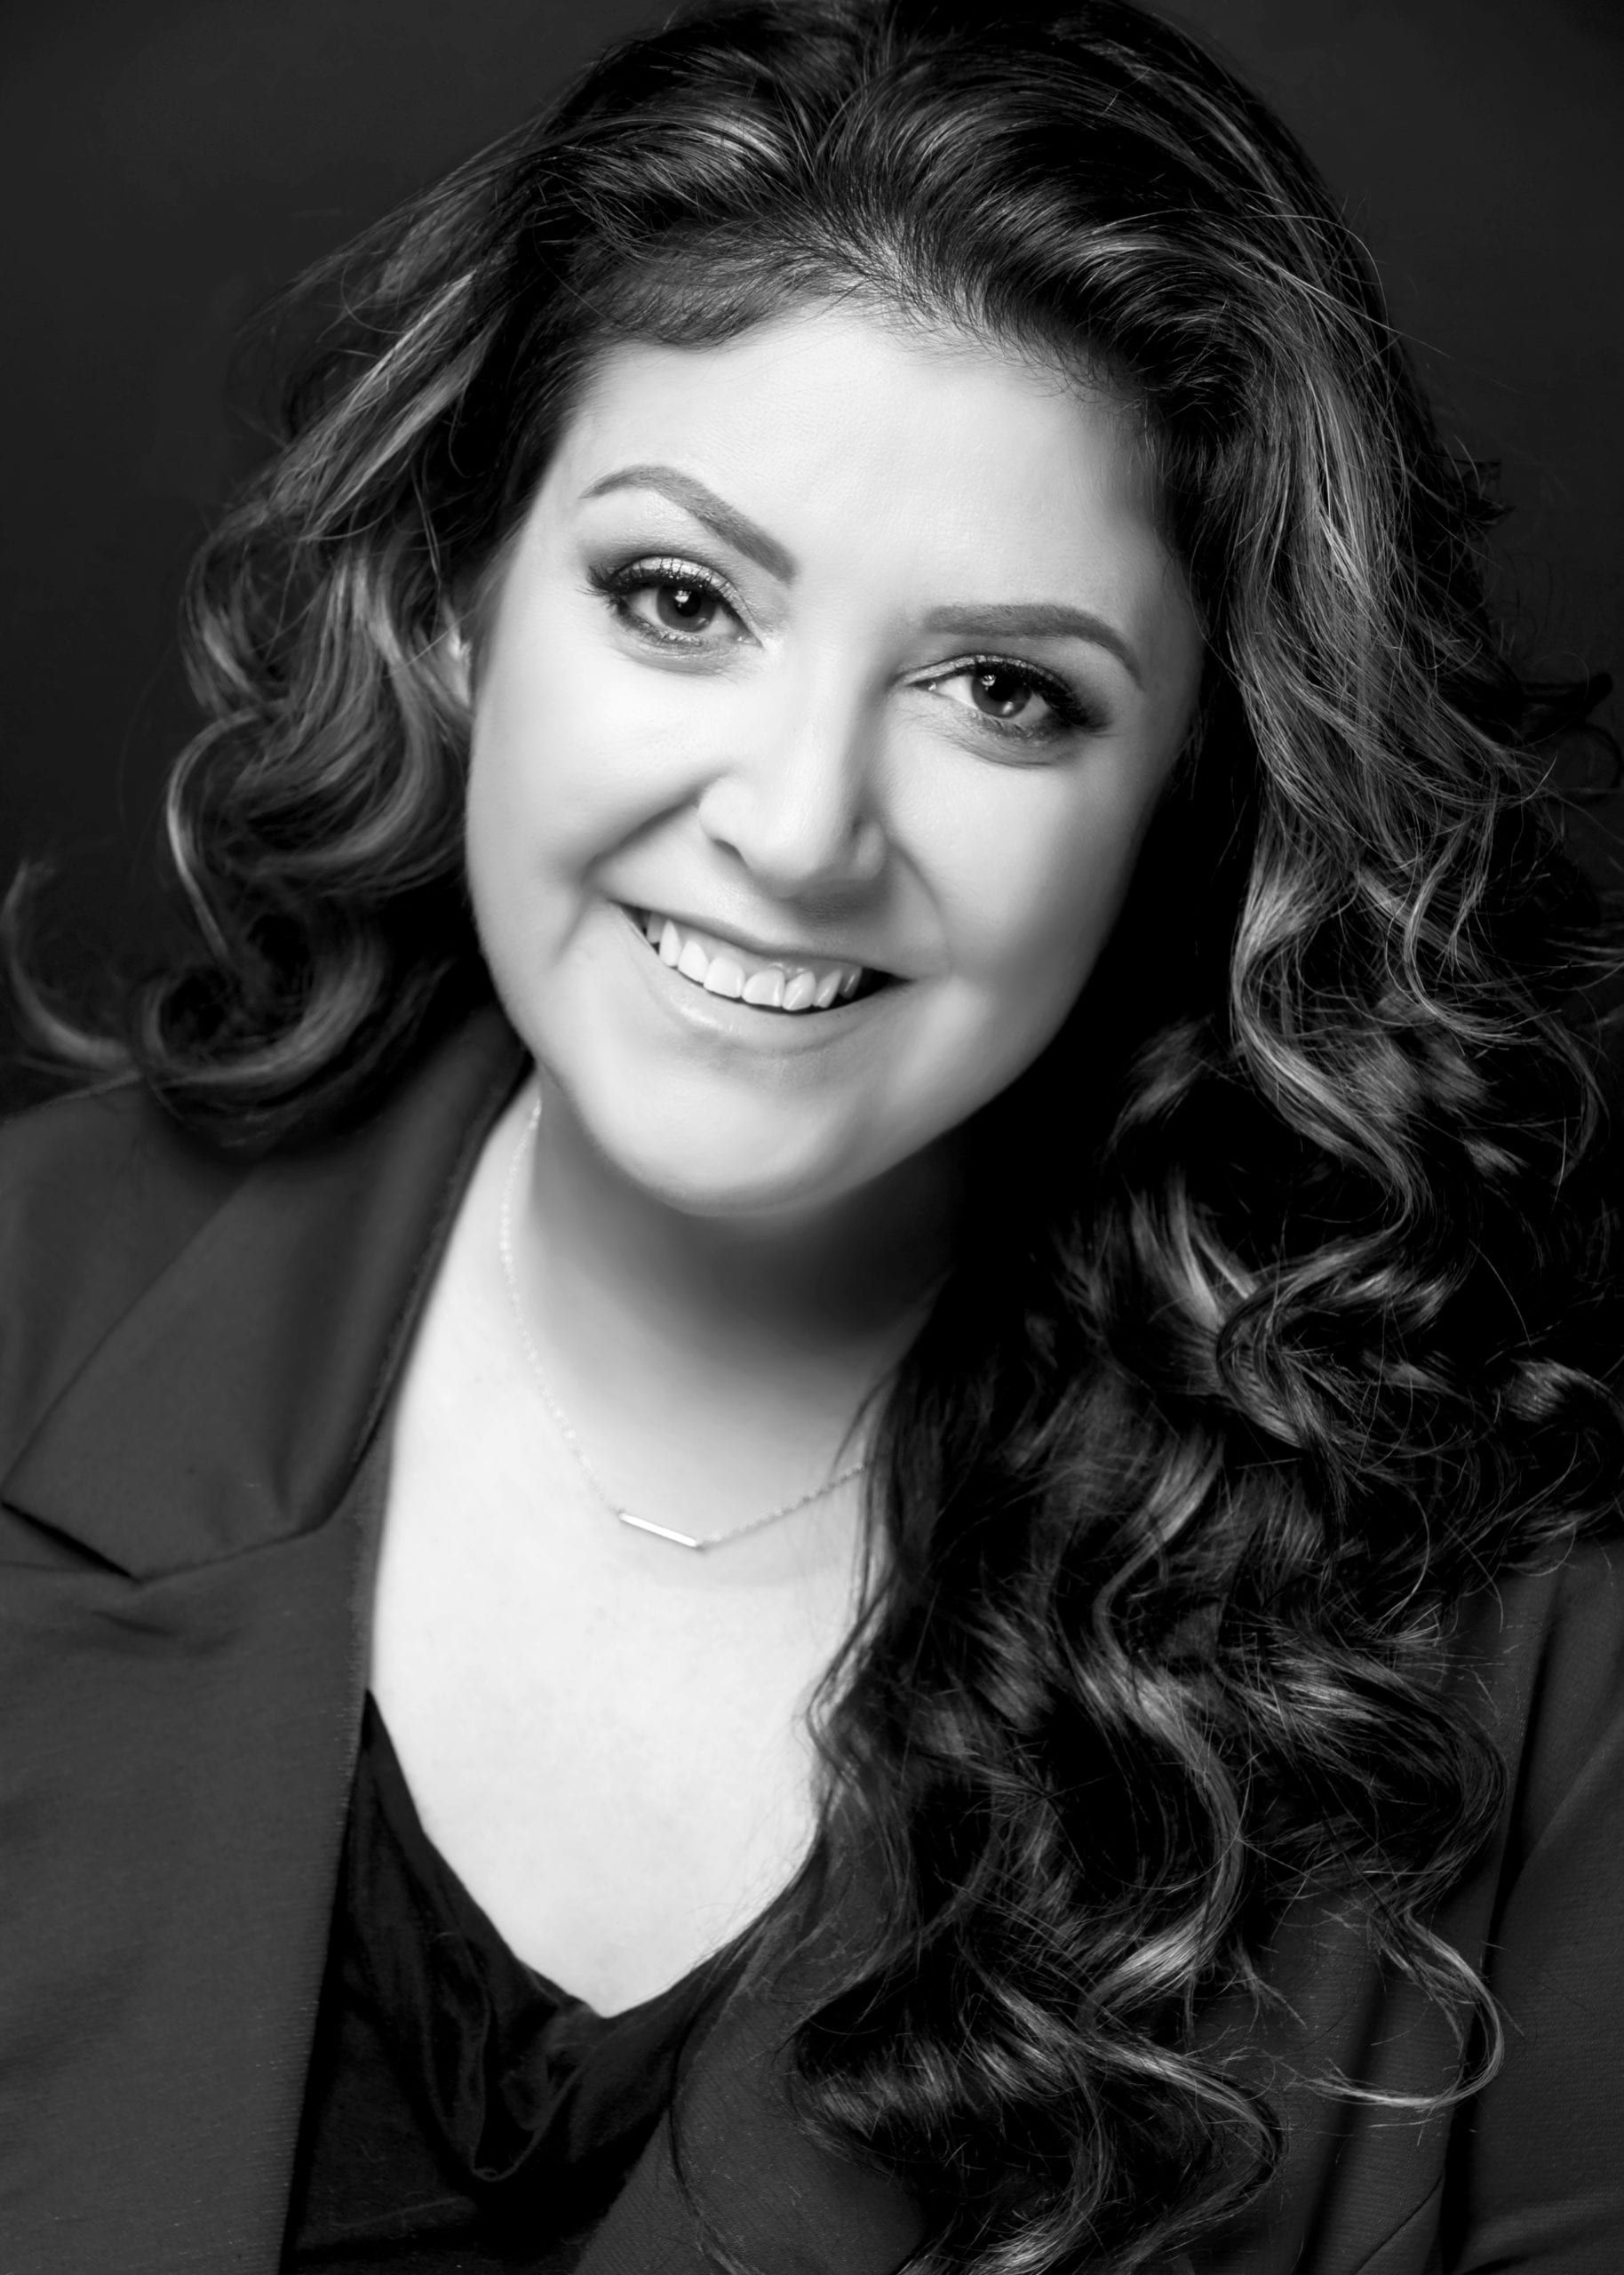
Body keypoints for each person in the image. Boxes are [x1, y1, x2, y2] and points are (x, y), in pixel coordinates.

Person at [2, 0, 1621, 2268]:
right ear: (462, 599)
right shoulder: (30, 1307)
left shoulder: (1520, 1640)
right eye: (680, 600)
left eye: (1004, 691)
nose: (792, 825)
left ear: (1189, 797)